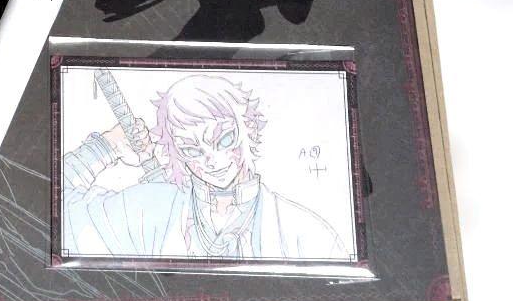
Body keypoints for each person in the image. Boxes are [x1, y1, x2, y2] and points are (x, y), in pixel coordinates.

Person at [63, 73, 348, 262]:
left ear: (248, 128)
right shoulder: (151, 208)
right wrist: (106, 146)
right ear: (176, 153)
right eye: (191, 150)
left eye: (224, 139)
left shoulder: (306, 232)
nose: (211, 159)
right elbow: (54, 208)